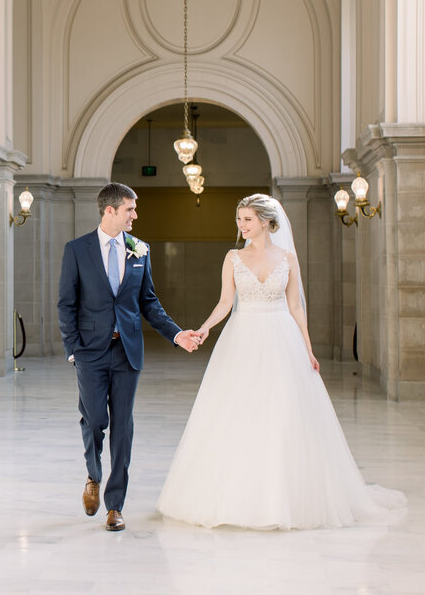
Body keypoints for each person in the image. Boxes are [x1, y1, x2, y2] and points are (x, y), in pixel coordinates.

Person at [156, 193, 406, 529]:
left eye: (246, 219)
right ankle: (236, 493)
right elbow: (225, 302)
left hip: (280, 335)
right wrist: (204, 328)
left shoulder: (287, 258)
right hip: (242, 337)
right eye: (239, 219)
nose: (241, 225)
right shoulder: (232, 257)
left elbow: (296, 307)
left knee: (283, 410)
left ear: (264, 221)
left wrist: (308, 348)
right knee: (238, 410)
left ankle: (285, 496)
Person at [58, 182, 203, 532]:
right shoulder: (77, 250)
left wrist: (176, 333)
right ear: (109, 211)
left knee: (123, 427)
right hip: (90, 353)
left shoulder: (140, 249)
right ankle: (93, 476)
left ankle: (115, 505)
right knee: (94, 422)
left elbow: (148, 302)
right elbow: (66, 304)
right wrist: (74, 349)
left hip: (128, 352)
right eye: (130, 209)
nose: (135, 215)